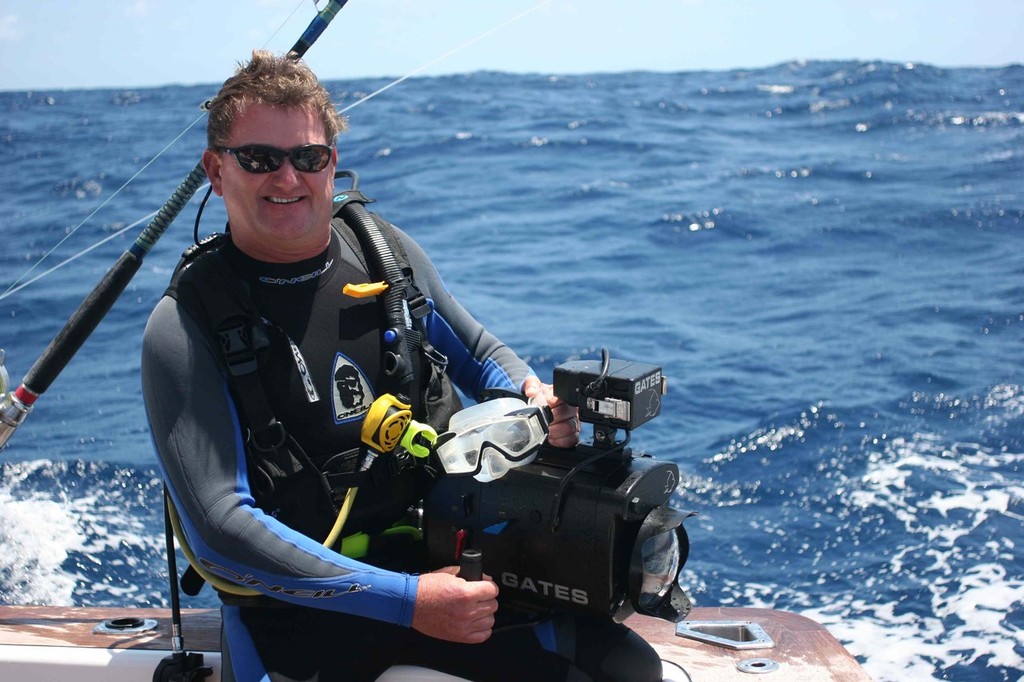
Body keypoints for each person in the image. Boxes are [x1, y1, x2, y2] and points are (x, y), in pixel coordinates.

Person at [142, 50, 663, 681]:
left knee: (624, 667)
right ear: (216, 170)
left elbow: (481, 354)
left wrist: (534, 397)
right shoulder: (185, 325)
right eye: (259, 158)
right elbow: (220, 530)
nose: (287, 178)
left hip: (444, 566)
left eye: (308, 156)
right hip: (301, 612)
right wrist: (408, 603)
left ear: (332, 162)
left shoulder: (382, 252)